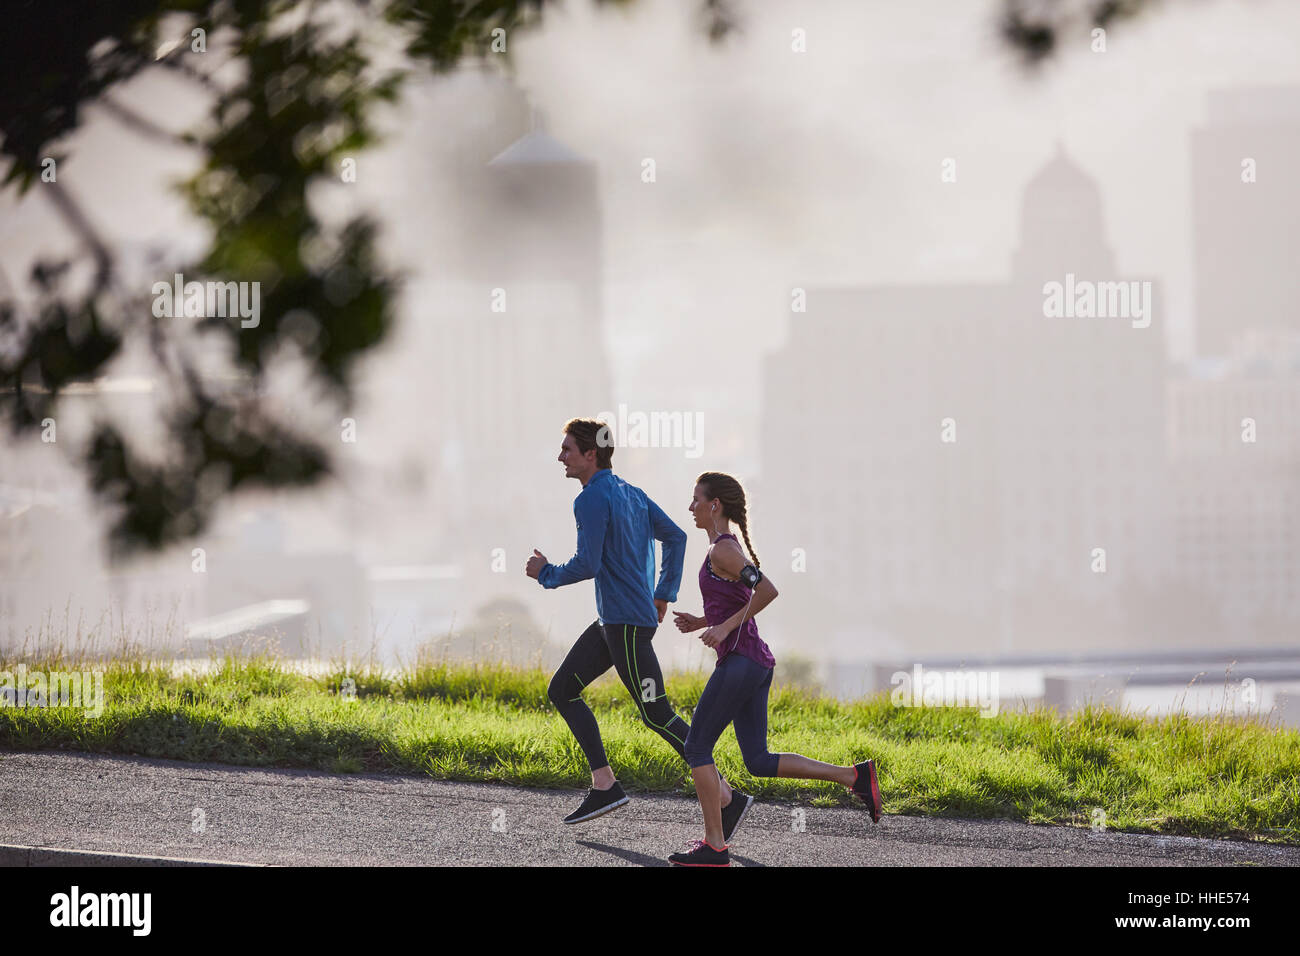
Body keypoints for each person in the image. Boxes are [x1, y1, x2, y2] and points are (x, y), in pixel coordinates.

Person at [527, 419, 753, 838]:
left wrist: (545, 573)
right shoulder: (632, 494)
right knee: (562, 689)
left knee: (658, 715)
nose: (561, 457)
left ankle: (726, 796)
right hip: (616, 624)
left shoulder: (591, 499)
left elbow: (588, 564)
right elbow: (677, 537)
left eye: (568, 450)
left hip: (627, 628)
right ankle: (605, 784)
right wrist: (663, 593)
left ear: (590, 455)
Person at [668, 471, 883, 867]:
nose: (691, 506)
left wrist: (724, 627)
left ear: (715, 505)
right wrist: (704, 621)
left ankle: (714, 846)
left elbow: (767, 590)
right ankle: (855, 777)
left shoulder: (722, 550)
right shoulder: (722, 550)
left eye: (696, 499)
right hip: (754, 662)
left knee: (696, 747)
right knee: (759, 761)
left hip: (742, 662)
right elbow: (736, 598)